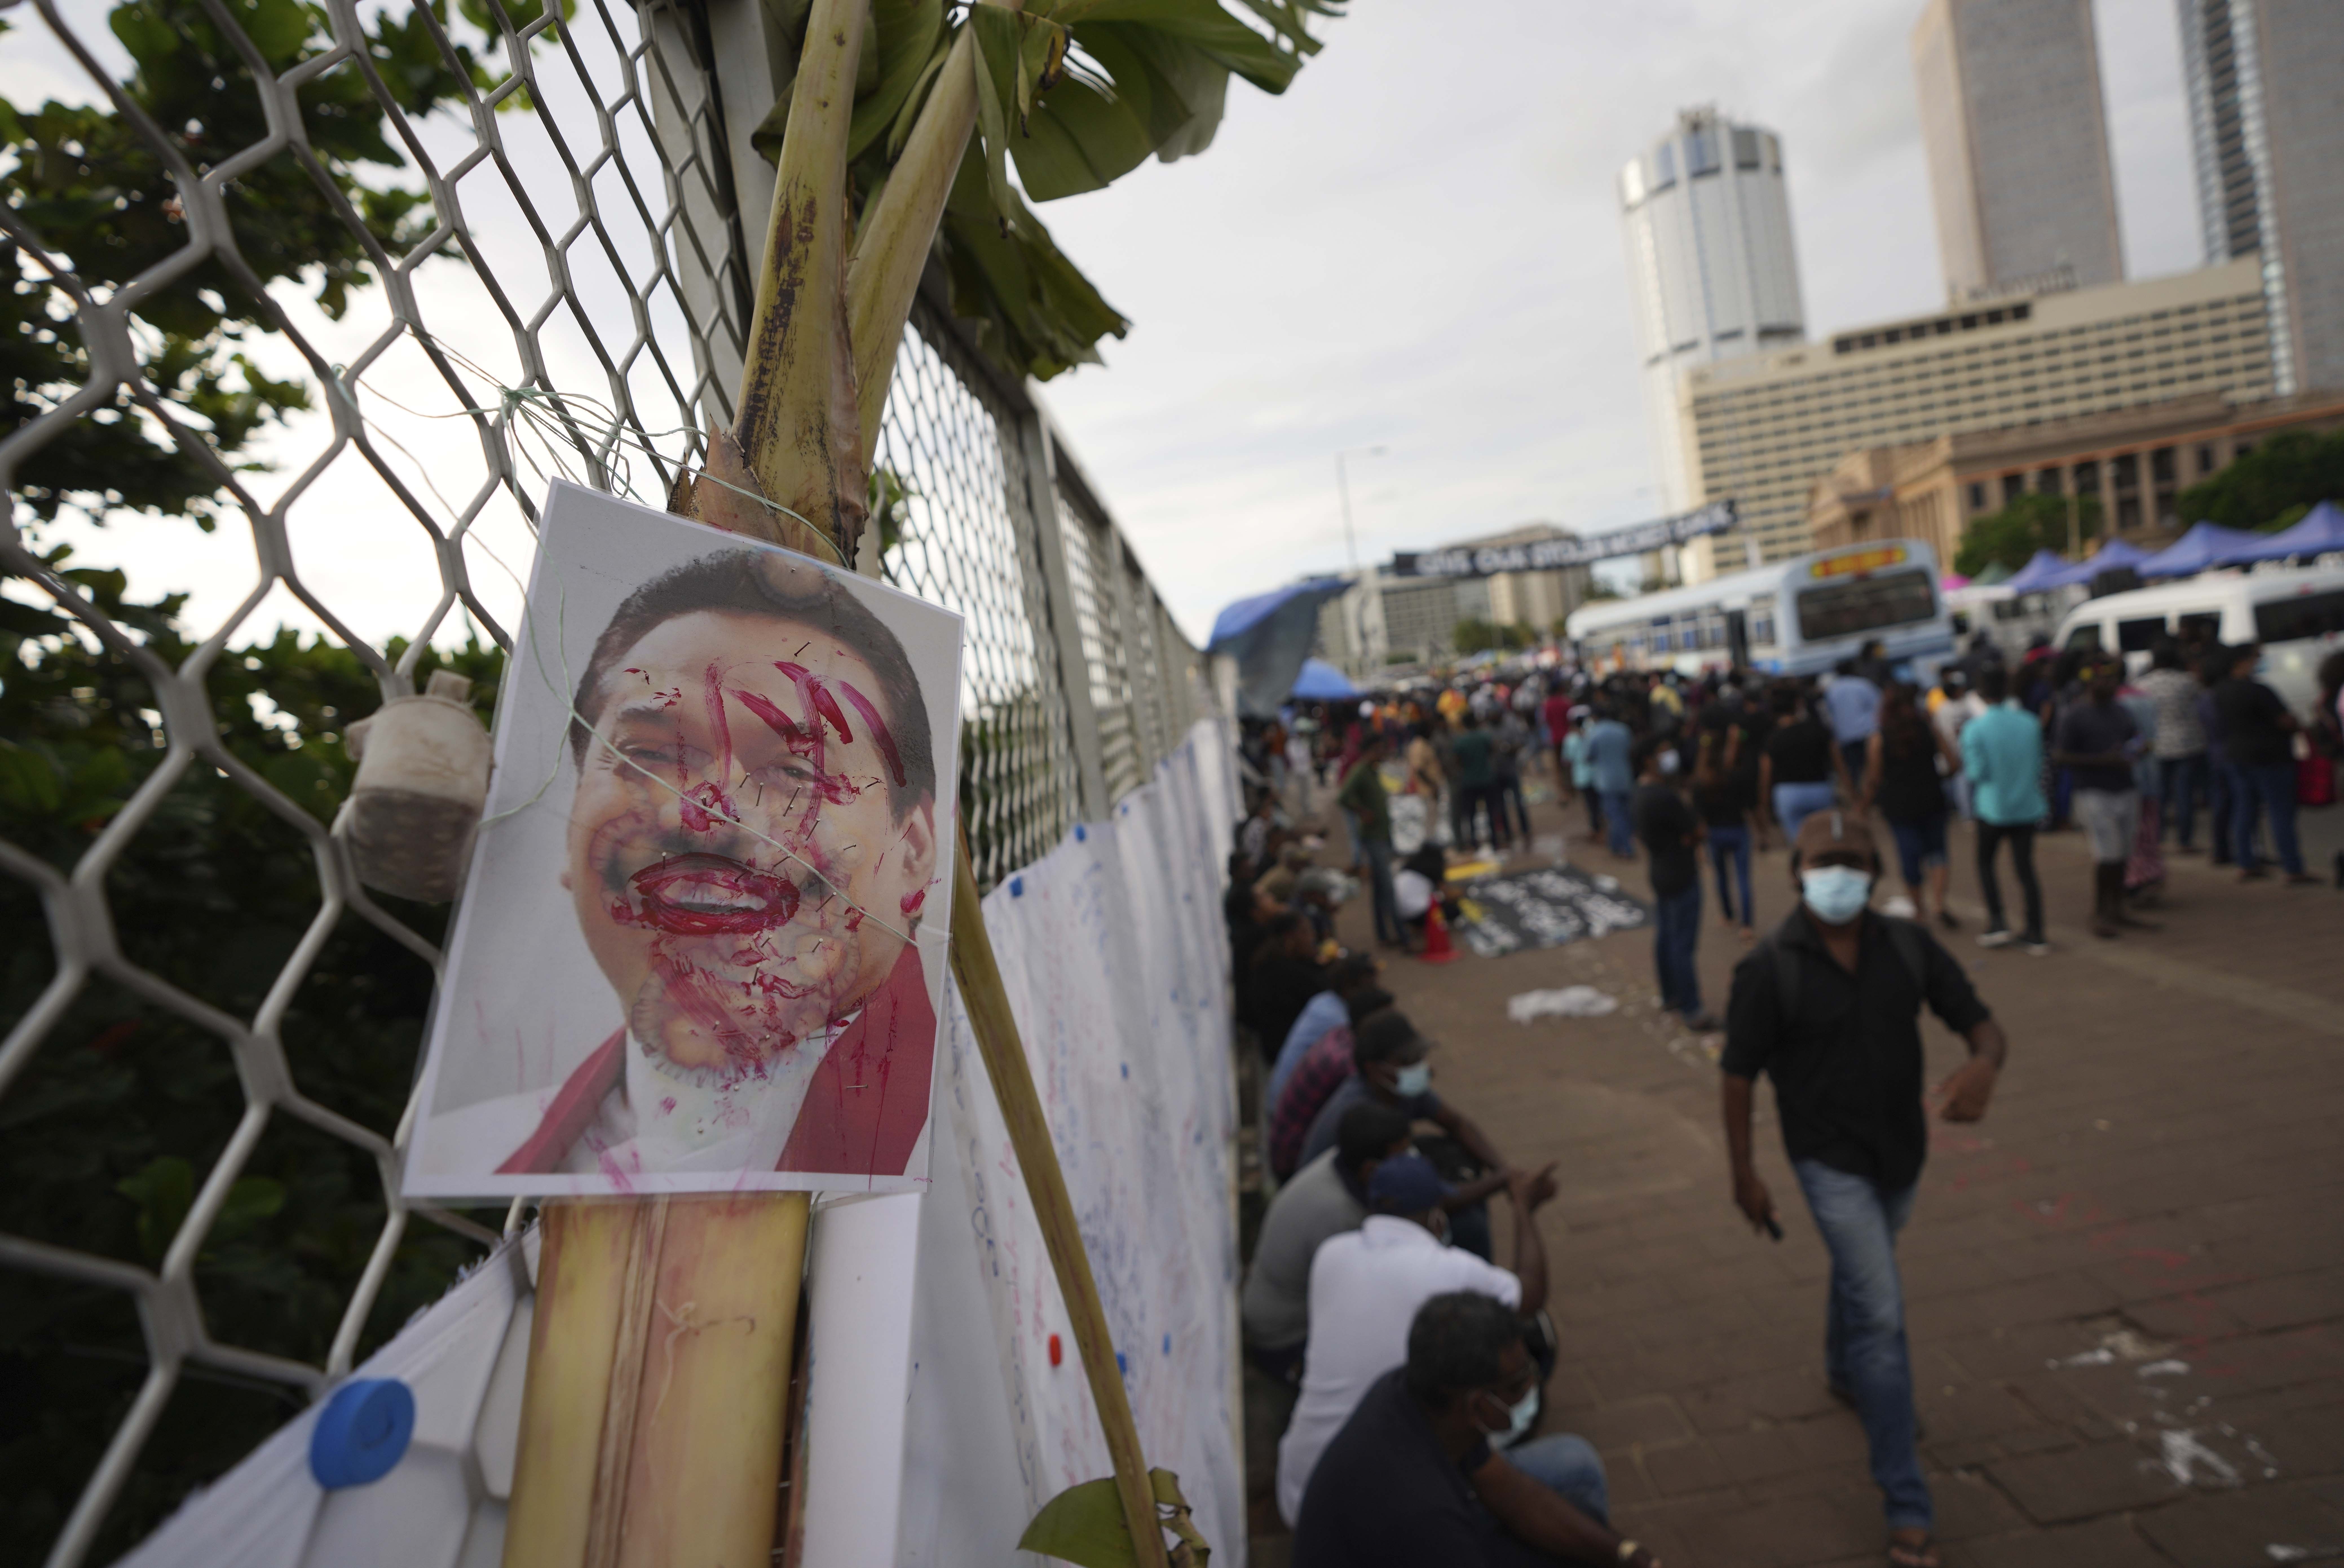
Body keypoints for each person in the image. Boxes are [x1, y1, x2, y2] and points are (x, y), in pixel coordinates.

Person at [441, 549, 943, 1181]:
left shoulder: (991, 1145)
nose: (705, 815)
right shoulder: (460, 1156)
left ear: (916, 849)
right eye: (649, 756)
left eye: (795, 772)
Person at [1721, 811, 2008, 1568]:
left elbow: (1980, 1023)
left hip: (1900, 1154)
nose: (1839, 874)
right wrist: (1742, 1172)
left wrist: (1985, 1064)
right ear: (1796, 873)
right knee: (1881, 1314)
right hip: (1826, 1158)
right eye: (1825, 861)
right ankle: (1907, 1501)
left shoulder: (1908, 945)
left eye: (1853, 861)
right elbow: (1737, 1073)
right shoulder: (1770, 966)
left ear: (1874, 876)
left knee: (1865, 1266)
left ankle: (1844, 1372)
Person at [1276, 1152, 1557, 1526]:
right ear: (1437, 1216)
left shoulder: (1331, 1254)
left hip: (1299, 1492)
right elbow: (1530, 1295)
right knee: (1568, 1457)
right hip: (1376, 1509)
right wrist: (1523, 1206)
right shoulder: (1449, 1268)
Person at [1292, 1293, 1651, 1568]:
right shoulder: (1425, 1517)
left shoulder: (1420, 1398)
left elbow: (1515, 1496)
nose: (1531, 1387)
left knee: (1579, 1509)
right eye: (1519, 1382)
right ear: (1478, 1405)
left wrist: (1625, 1554)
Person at [1297, 1009, 1515, 1258]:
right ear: (1374, 1069)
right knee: (1468, 1225)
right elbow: (1438, 1198)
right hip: (1348, 1209)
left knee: (1457, 1160)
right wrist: (1504, 1180)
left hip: (1378, 1180)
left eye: (1419, 1057)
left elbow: (1458, 1124)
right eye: (1407, 1059)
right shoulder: (1360, 1116)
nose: (1419, 1067)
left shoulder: (1400, 1089)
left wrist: (1499, 1169)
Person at [1242, 1102, 1415, 1382]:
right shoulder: (1338, 1216)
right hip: (1284, 1339)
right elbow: (1351, 1306)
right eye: (1402, 1157)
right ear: (1371, 1170)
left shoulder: (1343, 1161)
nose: (1410, 1163)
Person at [2052, 656, 2150, 939]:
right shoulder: (2075, 715)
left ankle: (2117, 908)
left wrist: (2140, 748)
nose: (2109, 684)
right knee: (2107, 855)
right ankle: (2100, 912)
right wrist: (2102, 760)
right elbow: (2061, 755)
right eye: (2102, 679)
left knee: (2122, 854)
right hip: (2094, 792)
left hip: (2125, 787)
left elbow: (2136, 737)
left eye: (2112, 679)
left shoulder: (2119, 711)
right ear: (2089, 682)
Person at [1961, 666, 2048, 954]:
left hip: (1993, 809)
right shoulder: (2029, 722)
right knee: (2026, 870)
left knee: (1986, 864)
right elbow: (2038, 763)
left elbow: (1976, 773)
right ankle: (2036, 931)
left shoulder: (1975, 729)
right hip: (2026, 806)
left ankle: (1997, 921)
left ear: (1982, 694)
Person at [1633, 735, 1717, 1029]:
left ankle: (1671, 995)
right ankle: (1692, 1008)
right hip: (1680, 873)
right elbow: (1698, 830)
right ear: (1648, 759)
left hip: (1661, 872)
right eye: (1661, 751)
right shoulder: (1662, 796)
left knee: (1667, 936)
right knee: (1681, 943)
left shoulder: (1642, 794)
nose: (1667, 756)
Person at [2212, 643, 2315, 884]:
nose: (2258, 662)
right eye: (2255, 658)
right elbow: (2285, 721)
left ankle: (2246, 863)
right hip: (2270, 757)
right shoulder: (2258, 690)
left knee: (2245, 808)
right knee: (2280, 811)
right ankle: (2293, 867)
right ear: (2242, 661)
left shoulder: (2220, 691)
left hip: (2237, 755)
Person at [1269, 987, 1397, 1180]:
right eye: (1389, 1021)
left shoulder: (1341, 1034)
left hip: (1284, 1143)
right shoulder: (1349, 1066)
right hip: (1295, 1165)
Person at [1863, 684, 1961, 932]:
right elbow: (1953, 763)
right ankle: (1939, 903)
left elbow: (1874, 778)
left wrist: (1864, 804)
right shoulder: (1929, 729)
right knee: (1938, 853)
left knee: (1909, 857)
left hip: (1899, 806)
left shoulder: (1879, 738)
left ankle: (1919, 911)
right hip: (1932, 799)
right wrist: (1939, 778)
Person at [1266, 952, 1382, 1111]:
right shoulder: (1337, 1020)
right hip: (1288, 1108)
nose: (1374, 994)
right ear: (1350, 988)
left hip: (1284, 1099)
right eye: (1369, 988)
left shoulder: (1324, 1001)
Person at [2137, 640, 2208, 853]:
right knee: (2184, 795)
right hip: (2187, 744)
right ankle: (2185, 841)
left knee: (2159, 795)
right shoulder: (2188, 681)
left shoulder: (2143, 684)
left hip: (2156, 746)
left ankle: (2157, 841)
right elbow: (2201, 706)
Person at [1340, 733, 1405, 948]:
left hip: (1381, 835)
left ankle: (1384, 935)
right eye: (1379, 749)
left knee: (1379, 890)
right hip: (1373, 838)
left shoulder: (1373, 771)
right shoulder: (1360, 771)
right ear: (1370, 751)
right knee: (1388, 889)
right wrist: (1362, 812)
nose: (1383, 753)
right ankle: (1403, 937)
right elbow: (1344, 797)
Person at [1692, 723, 1755, 942]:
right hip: (1738, 832)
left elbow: (1698, 818)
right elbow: (1750, 805)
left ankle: (1728, 915)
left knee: (1721, 878)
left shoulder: (1699, 782)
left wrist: (1699, 846)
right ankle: (1747, 925)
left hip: (1714, 836)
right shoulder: (1735, 776)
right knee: (1743, 879)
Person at [1242, 911, 1330, 1061]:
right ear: (1290, 938)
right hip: (1293, 1056)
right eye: (1306, 932)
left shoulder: (1268, 963)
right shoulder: (1287, 974)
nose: (1312, 938)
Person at [1761, 684, 1838, 845]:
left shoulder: (1773, 738)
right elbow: (1838, 762)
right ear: (1798, 705)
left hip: (1788, 794)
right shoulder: (1818, 730)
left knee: (1801, 847)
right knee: (1826, 843)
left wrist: (1765, 804)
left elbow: (1766, 774)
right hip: (1820, 789)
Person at [1584, 705, 1636, 859]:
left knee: (1615, 816)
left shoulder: (1594, 733)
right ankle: (1615, 846)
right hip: (1626, 778)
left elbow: (1588, 757)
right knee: (1625, 814)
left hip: (1606, 781)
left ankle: (1627, 848)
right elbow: (1632, 751)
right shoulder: (1623, 730)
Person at [1824, 660, 1882, 788]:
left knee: (1854, 770)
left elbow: (1829, 714)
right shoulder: (1863, 684)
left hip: (1846, 736)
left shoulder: (1832, 690)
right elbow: (1879, 706)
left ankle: (1859, 796)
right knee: (1873, 767)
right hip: (1868, 734)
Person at [1453, 713, 1506, 852]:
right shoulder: (1484, 737)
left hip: (1469, 781)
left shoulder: (1461, 741)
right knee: (1491, 811)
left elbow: (1457, 761)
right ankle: (1494, 841)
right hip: (1487, 779)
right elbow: (1493, 751)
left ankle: (1475, 843)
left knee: (1471, 815)